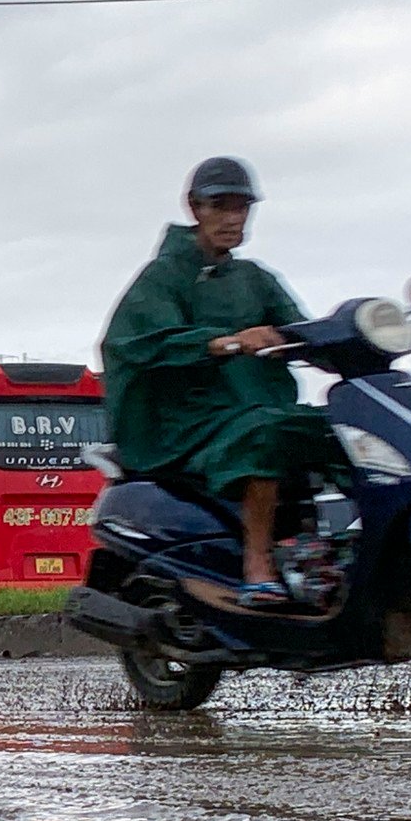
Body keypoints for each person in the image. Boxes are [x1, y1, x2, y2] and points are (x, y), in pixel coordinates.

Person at [100, 157, 343, 609]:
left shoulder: (255, 279)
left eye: (242, 207)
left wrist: (348, 339)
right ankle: (257, 567)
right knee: (263, 435)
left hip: (252, 407)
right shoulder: (163, 277)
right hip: (186, 424)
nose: (233, 218)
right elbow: (138, 343)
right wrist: (225, 343)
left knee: (340, 429)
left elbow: (301, 331)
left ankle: (334, 549)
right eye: (221, 205)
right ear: (195, 208)